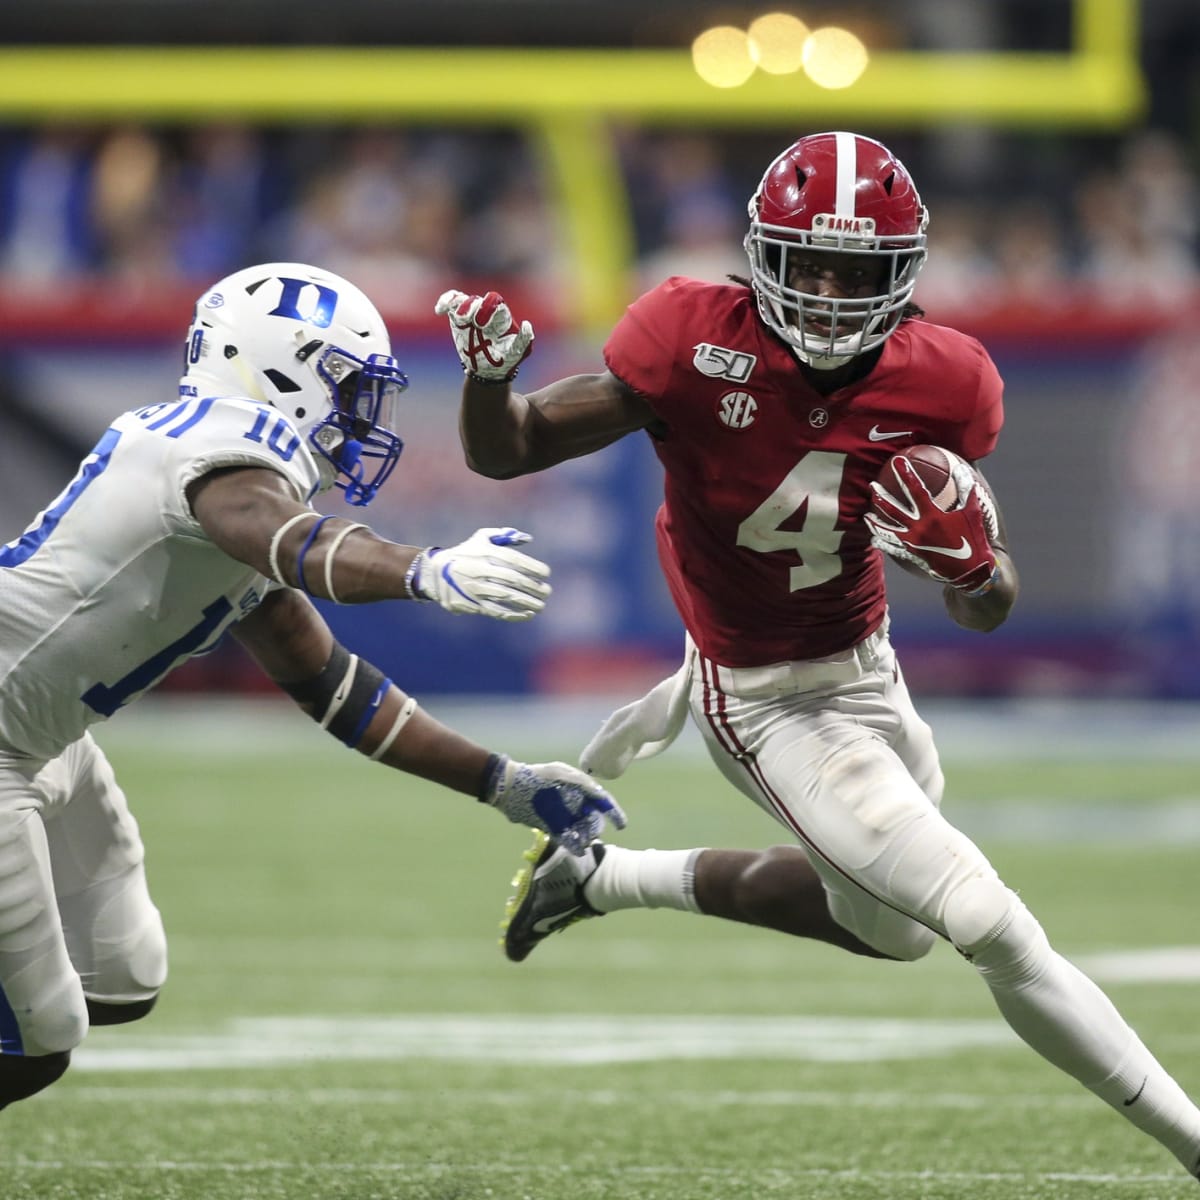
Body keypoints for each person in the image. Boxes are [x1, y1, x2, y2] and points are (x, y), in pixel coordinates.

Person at [436, 132, 1200, 1181]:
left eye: (860, 271)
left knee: (893, 934)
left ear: (907, 276)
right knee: (988, 922)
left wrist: (974, 571)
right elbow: (511, 445)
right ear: (762, 254)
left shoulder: (949, 380)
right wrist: (487, 381)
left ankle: (605, 878)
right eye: (812, 263)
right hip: (759, 700)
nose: (833, 293)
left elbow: (990, 605)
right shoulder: (688, 336)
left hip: (867, 671)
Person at [0, 261, 625, 1112]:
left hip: (43, 738)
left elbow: (338, 691)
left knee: (121, 977)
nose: (361, 417)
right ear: (280, 365)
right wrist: (423, 568)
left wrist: (502, 781)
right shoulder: (217, 459)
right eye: (350, 388)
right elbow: (287, 536)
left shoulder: (229, 481)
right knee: (34, 1044)